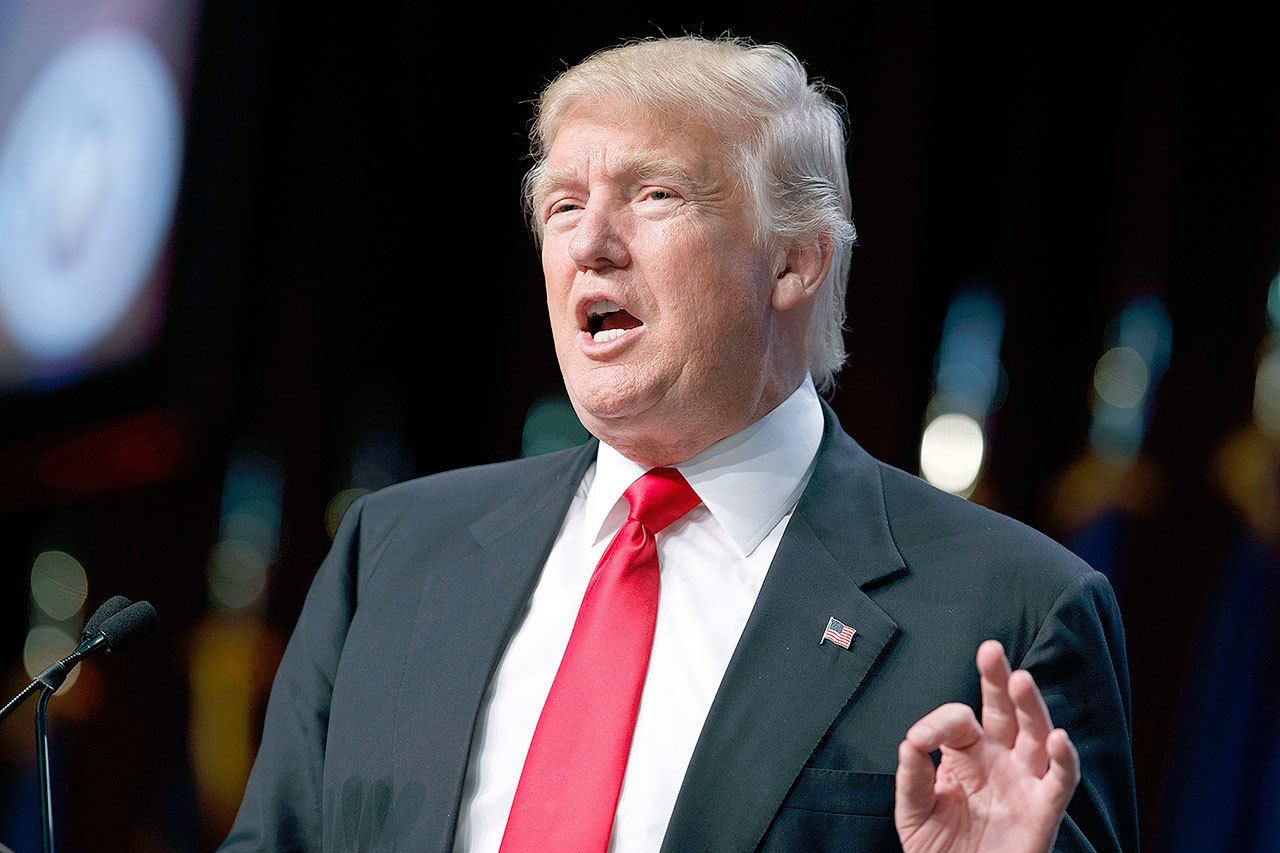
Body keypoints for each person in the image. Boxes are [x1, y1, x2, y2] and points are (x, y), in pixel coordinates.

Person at [222, 35, 1136, 852]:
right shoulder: (390, 554)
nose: (591, 243)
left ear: (794, 260)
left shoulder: (1010, 611)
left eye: (655, 194)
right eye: (564, 204)